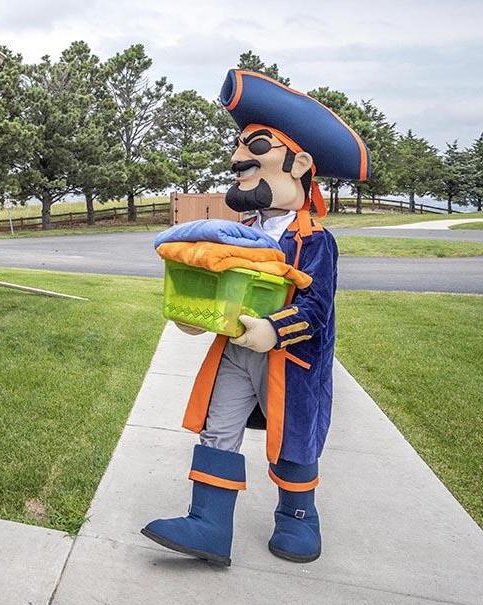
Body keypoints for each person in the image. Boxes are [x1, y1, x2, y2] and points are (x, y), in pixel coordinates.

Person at [141, 69, 370, 566]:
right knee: (218, 425)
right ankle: (208, 523)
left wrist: (273, 330)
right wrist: (196, 314)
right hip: (234, 351)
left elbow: (317, 310)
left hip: (290, 361)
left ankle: (297, 517)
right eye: (240, 151)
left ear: (300, 164)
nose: (239, 161)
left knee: (293, 437)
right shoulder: (240, 232)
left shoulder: (315, 241)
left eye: (257, 148)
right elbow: (218, 282)